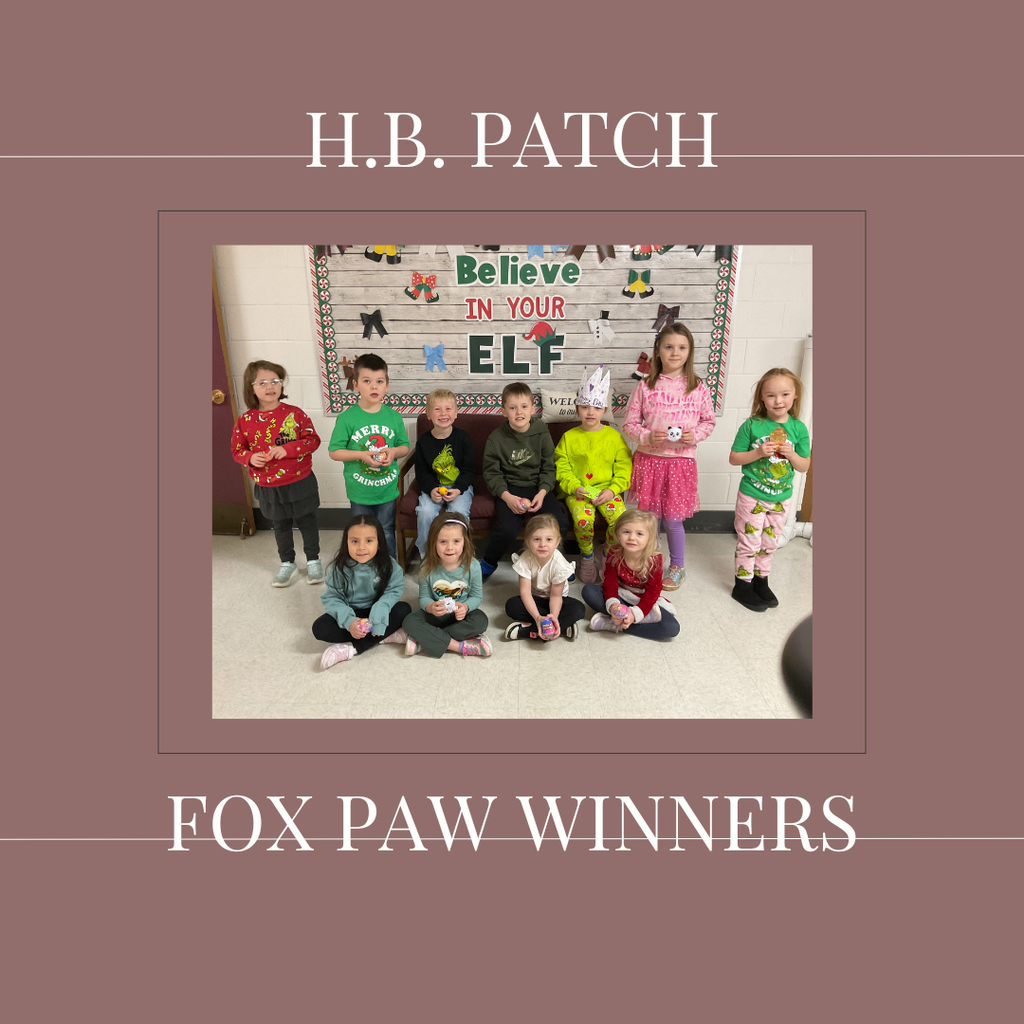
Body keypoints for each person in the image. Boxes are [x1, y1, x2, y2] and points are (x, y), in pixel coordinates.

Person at [623, 322, 716, 591]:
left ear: (689, 351)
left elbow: (708, 422)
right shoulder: (644, 386)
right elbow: (629, 424)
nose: (675, 352)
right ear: (658, 351)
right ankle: (648, 561)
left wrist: (694, 435)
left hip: (680, 464)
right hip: (649, 462)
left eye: (681, 347)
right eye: (669, 347)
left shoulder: (697, 387)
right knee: (649, 520)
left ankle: (677, 566)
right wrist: (646, 436)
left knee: (673, 520)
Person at [231, 360, 323, 587]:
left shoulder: (295, 414)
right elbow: (237, 450)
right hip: (268, 485)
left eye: (275, 381)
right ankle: (287, 562)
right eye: (262, 382)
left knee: (307, 521)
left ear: (281, 385)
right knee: (279, 524)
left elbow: (313, 440)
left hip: (299, 481)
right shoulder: (245, 420)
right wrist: (250, 458)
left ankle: (313, 560)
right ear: (251, 388)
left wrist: (288, 449)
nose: (270, 386)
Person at [728, 367, 811, 611]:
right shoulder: (752, 425)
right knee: (749, 542)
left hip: (781, 499)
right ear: (762, 398)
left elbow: (804, 466)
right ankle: (742, 586)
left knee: (770, 542)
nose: (778, 401)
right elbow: (734, 458)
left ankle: (760, 580)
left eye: (785, 394)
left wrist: (792, 454)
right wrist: (757, 453)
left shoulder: (799, 429)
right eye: (771, 395)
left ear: (795, 396)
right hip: (752, 495)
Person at [479, 381, 569, 580]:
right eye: (512, 408)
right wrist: (507, 497)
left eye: (524, 407)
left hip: (538, 488)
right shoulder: (496, 438)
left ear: (533, 408)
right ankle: (488, 562)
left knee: (560, 521)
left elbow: (548, 467)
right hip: (509, 489)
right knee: (507, 528)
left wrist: (543, 492)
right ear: (504, 411)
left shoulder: (541, 432)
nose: (519, 412)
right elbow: (492, 473)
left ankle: (556, 564)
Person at [554, 366, 632, 584]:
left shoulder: (614, 436)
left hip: (607, 490)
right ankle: (587, 556)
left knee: (620, 521)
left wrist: (612, 490)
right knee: (582, 520)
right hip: (578, 491)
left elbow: (625, 467)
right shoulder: (569, 437)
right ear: (577, 408)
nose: (590, 412)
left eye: (596, 407)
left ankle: (606, 553)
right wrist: (574, 487)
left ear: (604, 409)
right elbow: (562, 467)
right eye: (585, 406)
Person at [327, 353, 410, 557]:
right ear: (355, 385)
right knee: (362, 533)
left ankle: (388, 570)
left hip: (387, 488)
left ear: (387, 385)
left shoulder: (394, 417)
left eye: (379, 381)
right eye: (367, 381)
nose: (374, 387)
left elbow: (404, 447)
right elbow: (334, 452)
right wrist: (361, 455)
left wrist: (393, 452)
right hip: (360, 490)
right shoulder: (347, 418)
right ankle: (364, 568)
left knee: (386, 530)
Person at [312, 515, 411, 669]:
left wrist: (380, 613)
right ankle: (384, 636)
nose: (361, 547)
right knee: (319, 628)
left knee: (404, 609)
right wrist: (350, 622)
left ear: (379, 543)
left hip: (375, 612)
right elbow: (333, 598)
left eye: (369, 541)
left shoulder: (389, 565)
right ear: (347, 543)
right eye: (355, 541)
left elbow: (394, 590)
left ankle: (352, 648)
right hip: (350, 613)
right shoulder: (338, 568)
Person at [401, 513, 492, 658]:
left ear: (465, 542)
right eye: (443, 542)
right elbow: (424, 597)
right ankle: (458, 646)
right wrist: (431, 607)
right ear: (433, 543)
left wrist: (466, 607)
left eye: (456, 541)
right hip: (437, 615)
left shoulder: (473, 565)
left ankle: (424, 640)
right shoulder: (426, 567)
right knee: (409, 621)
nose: (450, 547)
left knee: (481, 621)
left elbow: (476, 596)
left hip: (461, 615)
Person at [582, 509, 679, 640]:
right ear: (618, 533)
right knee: (588, 591)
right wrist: (613, 606)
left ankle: (614, 625)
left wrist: (635, 613)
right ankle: (621, 618)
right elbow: (610, 582)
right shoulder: (614, 552)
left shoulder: (654, 559)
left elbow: (653, 592)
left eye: (639, 534)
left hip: (644, 601)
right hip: (621, 596)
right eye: (626, 532)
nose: (632, 538)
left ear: (649, 537)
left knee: (671, 627)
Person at [413, 388, 476, 560]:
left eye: (448, 409)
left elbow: (470, 469)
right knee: (425, 511)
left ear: (455, 413)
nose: (443, 413)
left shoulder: (463, 438)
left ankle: (460, 553)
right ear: (428, 414)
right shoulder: (424, 441)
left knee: (458, 511)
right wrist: (432, 488)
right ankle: (427, 554)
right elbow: (421, 471)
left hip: (459, 487)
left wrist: (458, 489)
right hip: (434, 487)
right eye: (437, 409)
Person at [503, 514, 585, 641]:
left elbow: (556, 596)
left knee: (578, 609)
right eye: (536, 539)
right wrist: (537, 617)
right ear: (527, 541)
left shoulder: (560, 565)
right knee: (512, 606)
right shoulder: (525, 559)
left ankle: (533, 631)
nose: (542, 544)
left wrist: (553, 617)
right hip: (535, 598)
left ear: (557, 542)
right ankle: (561, 627)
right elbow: (525, 593)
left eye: (549, 539)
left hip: (557, 600)